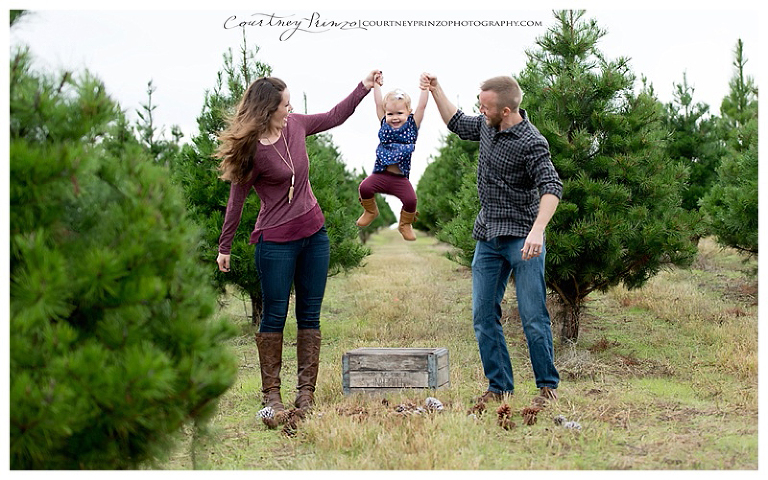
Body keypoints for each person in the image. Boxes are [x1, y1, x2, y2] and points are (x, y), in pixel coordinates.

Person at [215, 70, 381, 413]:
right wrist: (225, 246)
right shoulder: (251, 151)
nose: (290, 109)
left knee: (310, 314)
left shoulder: (296, 126)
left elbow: (334, 115)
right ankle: (271, 396)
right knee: (275, 314)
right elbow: (236, 200)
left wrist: (363, 87)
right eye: (285, 105)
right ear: (267, 109)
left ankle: (306, 395)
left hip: (314, 236)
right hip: (275, 242)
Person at [421, 72, 562, 403]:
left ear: (506, 111)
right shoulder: (487, 127)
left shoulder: (532, 142)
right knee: (483, 315)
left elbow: (552, 187)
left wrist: (538, 230)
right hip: (488, 237)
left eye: (485, 106)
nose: (480, 110)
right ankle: (499, 388)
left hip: (523, 241)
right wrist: (436, 89)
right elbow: (456, 122)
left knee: (532, 316)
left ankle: (546, 387)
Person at [356, 74, 429, 241]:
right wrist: (376, 85)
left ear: (409, 113)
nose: (394, 117)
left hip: (399, 179)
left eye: (400, 113)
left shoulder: (412, 127)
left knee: (411, 200)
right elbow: (377, 103)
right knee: (364, 188)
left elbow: (422, 108)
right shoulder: (384, 124)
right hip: (381, 175)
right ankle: (371, 211)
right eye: (390, 114)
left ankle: (404, 224)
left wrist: (425, 89)